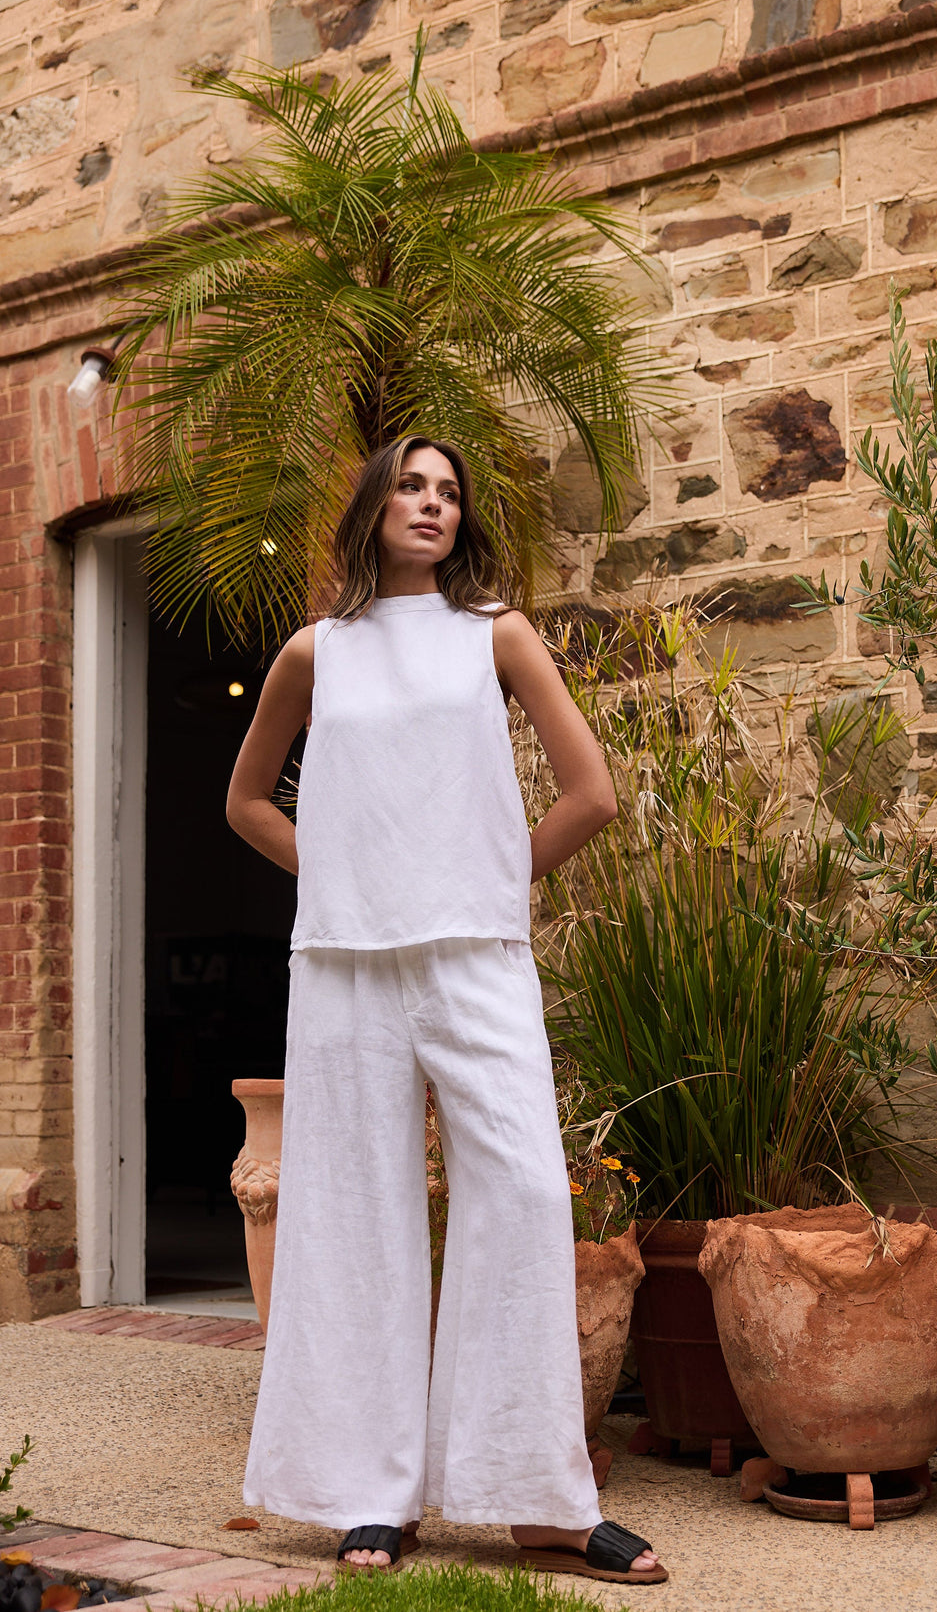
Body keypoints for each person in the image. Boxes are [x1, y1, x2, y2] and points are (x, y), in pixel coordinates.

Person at [225, 434, 668, 1587]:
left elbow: (594, 795)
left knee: (522, 1188)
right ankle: (370, 1493)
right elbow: (246, 802)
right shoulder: (314, 653)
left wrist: (482, 874)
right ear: (372, 508)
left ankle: (538, 1496)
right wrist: (341, 871)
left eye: (449, 492)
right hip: (345, 967)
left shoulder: (498, 635)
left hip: (476, 955)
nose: (433, 504)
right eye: (413, 487)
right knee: (354, 1211)